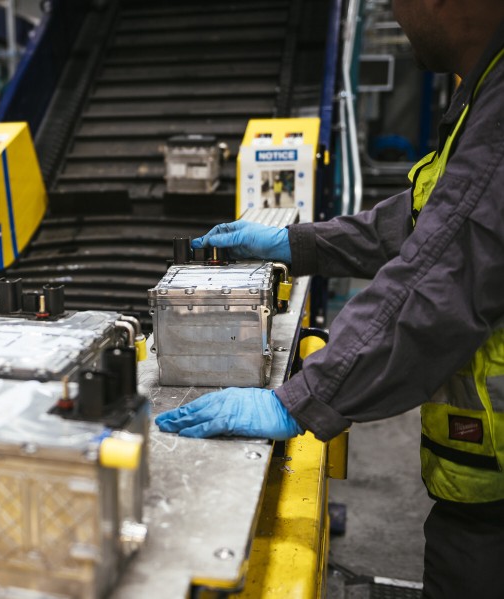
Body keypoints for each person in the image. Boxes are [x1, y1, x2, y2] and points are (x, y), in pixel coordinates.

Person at [155, 1, 504, 597]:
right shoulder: (483, 99)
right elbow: (417, 225)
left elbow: (441, 274)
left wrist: (304, 397)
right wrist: (293, 243)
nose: (392, 11)